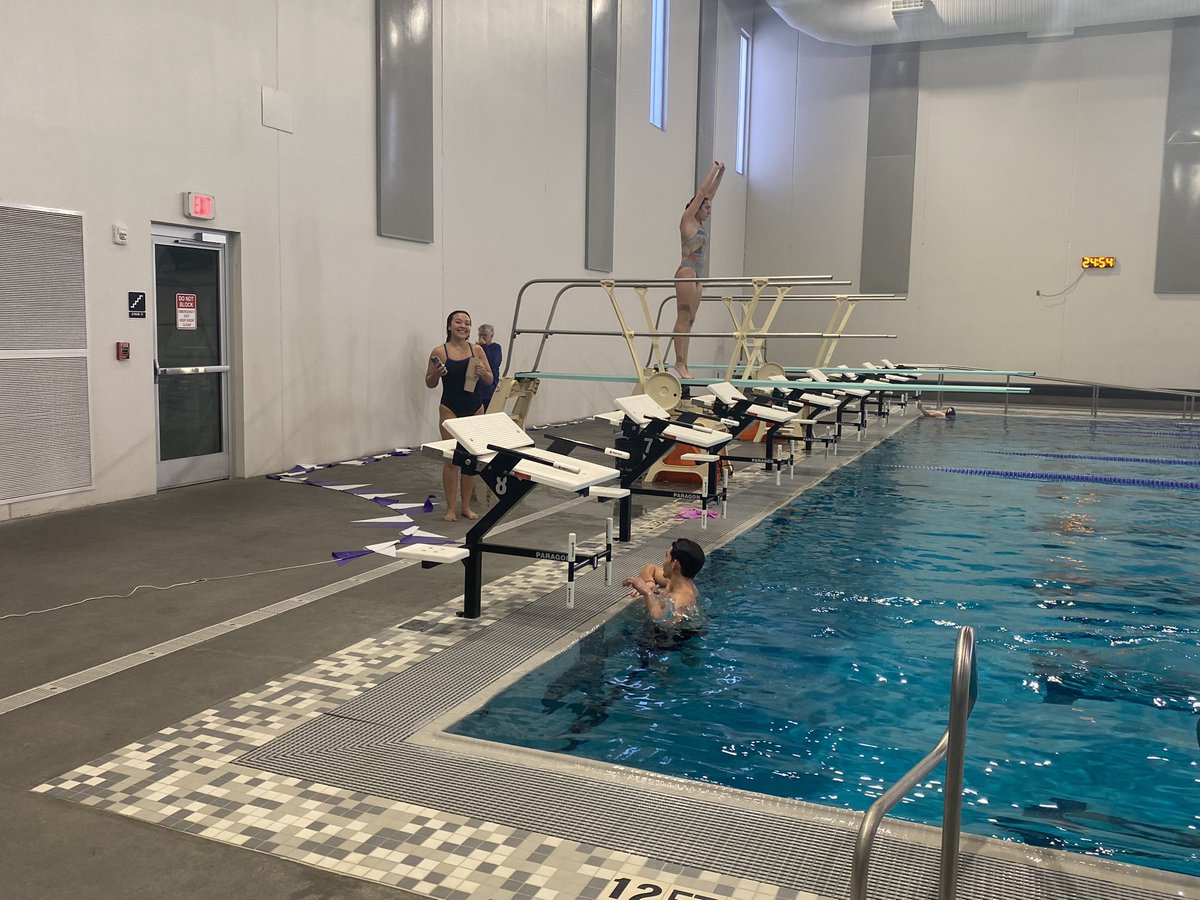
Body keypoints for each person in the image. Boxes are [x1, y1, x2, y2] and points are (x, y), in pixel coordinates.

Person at [426, 310, 494, 521]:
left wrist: (483, 373)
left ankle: (465, 506)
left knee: (470, 460)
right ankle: (450, 508)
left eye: (467, 323)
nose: (463, 326)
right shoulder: (440, 351)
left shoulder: (477, 350)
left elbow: (490, 379)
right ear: (449, 326)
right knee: (452, 460)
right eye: (458, 322)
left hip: (475, 408)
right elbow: (429, 382)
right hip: (450, 408)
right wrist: (437, 373)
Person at [672, 161, 726, 382]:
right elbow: (703, 192)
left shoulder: (700, 225)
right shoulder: (688, 221)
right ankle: (679, 361)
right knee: (683, 317)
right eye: (706, 208)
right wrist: (713, 169)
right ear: (695, 207)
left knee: (691, 320)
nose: (709, 211)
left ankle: (684, 361)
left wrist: (722, 173)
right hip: (686, 273)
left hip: (697, 276)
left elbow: (709, 195)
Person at [622, 538, 705, 625]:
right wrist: (649, 583)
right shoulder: (673, 582)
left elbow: (664, 622)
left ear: (675, 564)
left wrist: (647, 592)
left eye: (666, 556)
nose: (664, 560)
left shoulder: (682, 599)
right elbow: (649, 568)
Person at [474, 323, 503, 411]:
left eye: (485, 335)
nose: (482, 338)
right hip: (477, 387)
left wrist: (484, 346)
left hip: (490, 388)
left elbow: (493, 363)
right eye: (480, 335)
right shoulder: (476, 348)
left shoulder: (496, 348)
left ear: (491, 336)